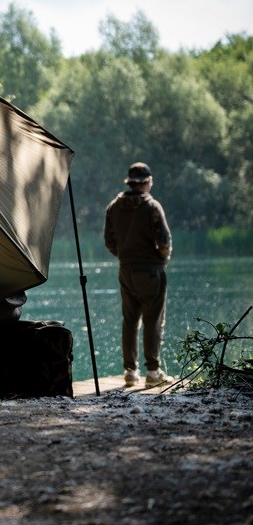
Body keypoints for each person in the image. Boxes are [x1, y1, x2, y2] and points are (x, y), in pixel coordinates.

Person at [104, 162, 174, 388]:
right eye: (150, 181)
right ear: (145, 182)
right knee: (153, 320)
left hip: (126, 270)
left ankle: (130, 372)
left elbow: (109, 242)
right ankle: (153, 373)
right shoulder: (152, 207)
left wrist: (124, 256)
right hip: (151, 271)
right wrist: (161, 259)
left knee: (130, 320)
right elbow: (164, 241)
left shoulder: (113, 207)